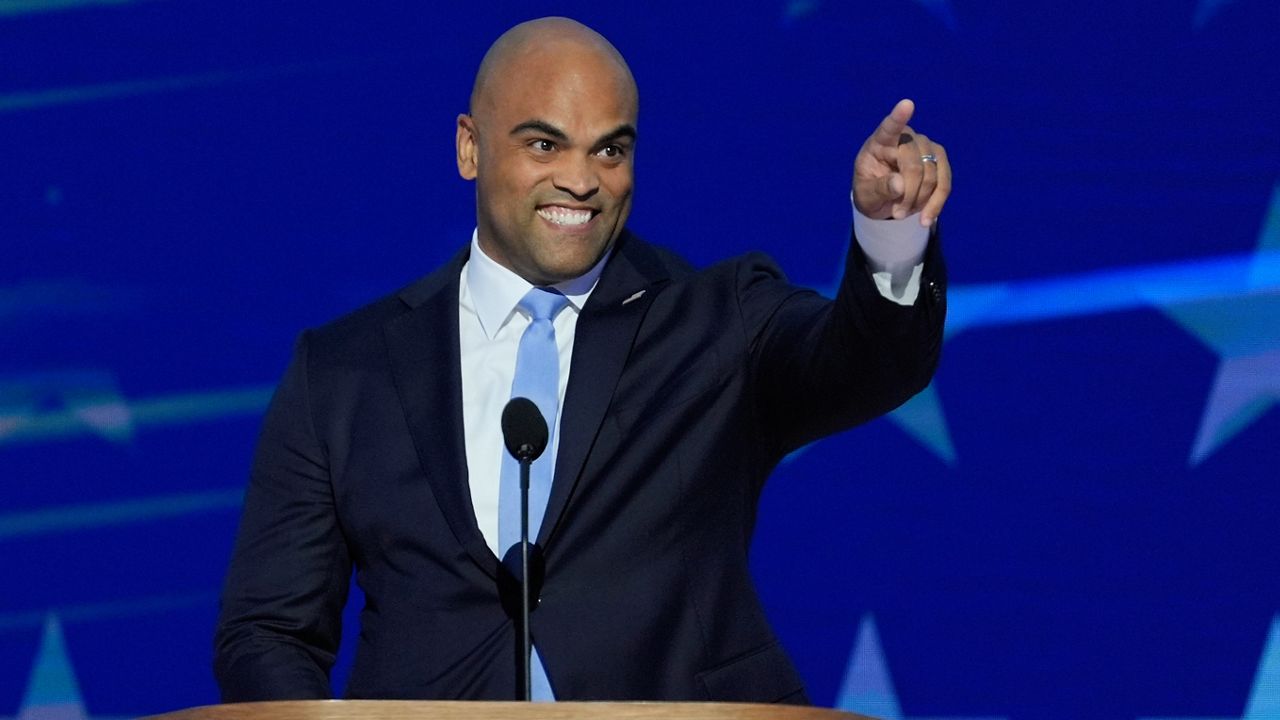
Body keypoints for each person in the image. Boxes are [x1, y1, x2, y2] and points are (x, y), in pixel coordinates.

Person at [213, 16, 950, 704]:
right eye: (544, 145)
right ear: (470, 147)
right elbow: (268, 630)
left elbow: (866, 364)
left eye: (610, 149)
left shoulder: (714, 320)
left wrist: (889, 238)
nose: (581, 179)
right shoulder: (344, 371)